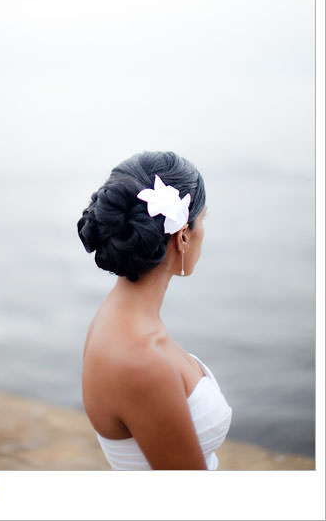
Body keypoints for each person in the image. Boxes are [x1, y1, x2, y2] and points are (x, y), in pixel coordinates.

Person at [77, 151, 232, 470]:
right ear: (183, 235)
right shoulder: (142, 362)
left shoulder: (115, 317)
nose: (204, 231)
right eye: (202, 220)